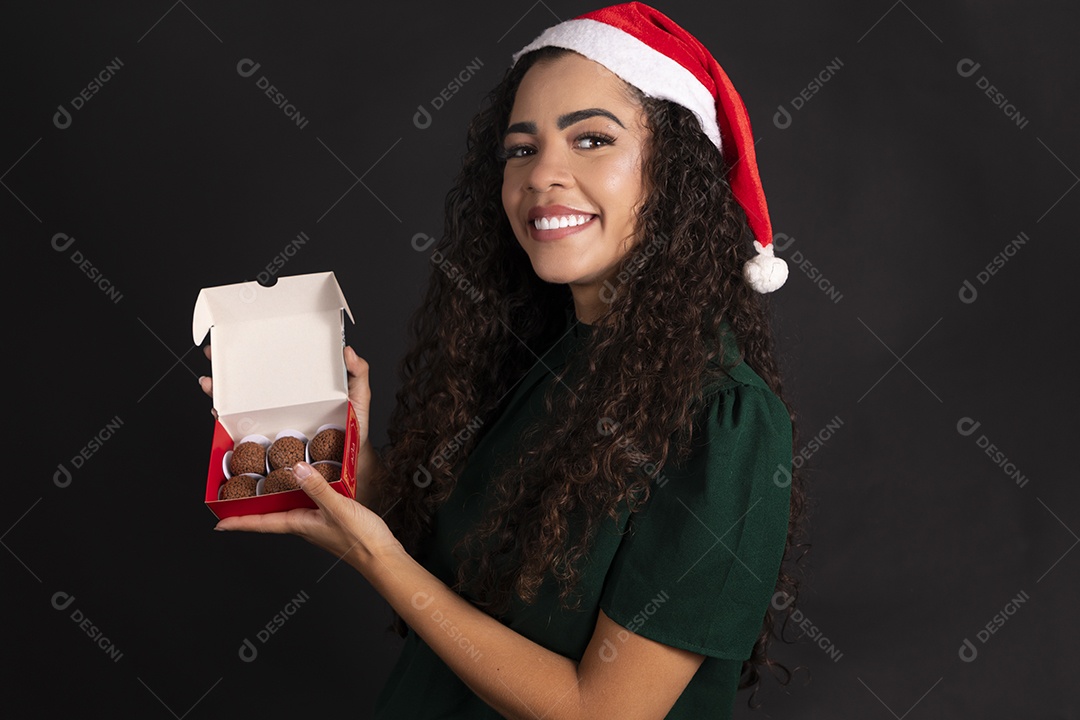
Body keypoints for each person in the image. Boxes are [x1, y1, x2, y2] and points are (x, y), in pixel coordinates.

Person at [205, 3, 808, 717]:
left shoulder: (726, 421)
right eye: (521, 149)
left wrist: (376, 558)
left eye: (592, 139)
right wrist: (364, 483)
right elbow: (472, 598)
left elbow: (601, 712)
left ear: (678, 176)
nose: (542, 173)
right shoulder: (545, 362)